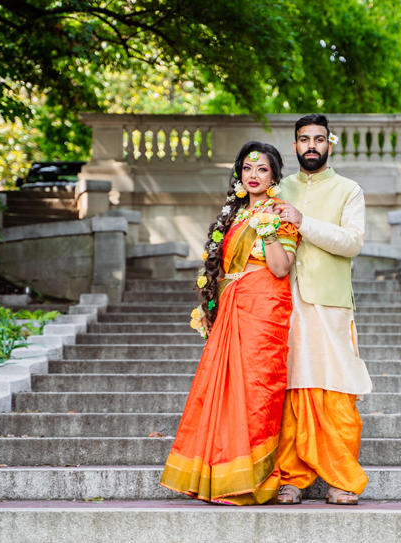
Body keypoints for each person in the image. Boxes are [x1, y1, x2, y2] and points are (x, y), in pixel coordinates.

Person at [159, 142, 300, 505]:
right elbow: (222, 268)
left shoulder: (281, 212)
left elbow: (281, 268)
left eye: (262, 169)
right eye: (248, 169)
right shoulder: (233, 216)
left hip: (266, 309)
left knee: (257, 391)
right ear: (239, 174)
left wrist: (267, 228)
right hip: (232, 307)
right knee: (222, 391)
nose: (253, 176)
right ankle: (219, 475)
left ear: (274, 176)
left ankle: (256, 477)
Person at [272, 114, 372, 505]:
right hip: (284, 303)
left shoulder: (349, 190)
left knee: (337, 390)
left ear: (330, 143)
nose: (310, 145)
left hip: (330, 305)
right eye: (303, 139)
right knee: (293, 390)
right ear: (294, 146)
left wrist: (303, 221)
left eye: (318, 139)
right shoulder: (278, 188)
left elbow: (352, 242)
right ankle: (292, 478)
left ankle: (342, 479)